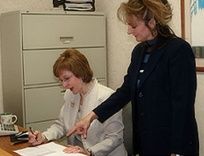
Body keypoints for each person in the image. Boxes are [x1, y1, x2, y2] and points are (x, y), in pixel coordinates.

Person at [67, 0, 199, 156]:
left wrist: (177, 151)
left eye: (133, 26)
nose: (129, 31)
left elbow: (182, 107)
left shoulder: (178, 50)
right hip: (146, 143)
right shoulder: (139, 51)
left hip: (172, 145)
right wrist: (90, 117)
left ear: (152, 22)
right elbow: (125, 91)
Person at [28, 48, 127, 156]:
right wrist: (43, 137)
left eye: (67, 78)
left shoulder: (106, 97)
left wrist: (89, 152)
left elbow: (115, 138)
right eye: (61, 80)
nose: (64, 85)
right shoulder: (70, 94)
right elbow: (61, 125)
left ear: (81, 73)